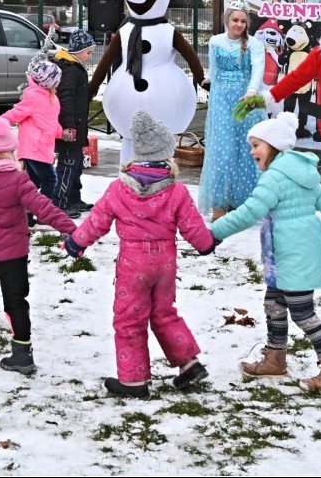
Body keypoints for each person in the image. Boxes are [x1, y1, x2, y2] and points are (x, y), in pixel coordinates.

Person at [64, 110, 216, 399]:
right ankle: (189, 363)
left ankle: (133, 381)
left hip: (133, 265)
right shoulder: (177, 191)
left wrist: (76, 243)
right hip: (165, 263)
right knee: (164, 312)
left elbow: (97, 221)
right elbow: (192, 225)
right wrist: (205, 244)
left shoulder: (119, 189)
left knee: (129, 319)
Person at [210, 112, 321, 393]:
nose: (252, 151)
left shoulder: (275, 178)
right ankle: (275, 359)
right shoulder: (301, 172)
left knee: (303, 314)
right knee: (274, 305)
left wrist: (214, 232)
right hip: (287, 256)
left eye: (256, 145)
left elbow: (249, 212)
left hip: (292, 256)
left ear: (273, 145)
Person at [0, 118, 78, 374]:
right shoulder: (18, 180)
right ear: (4, 150)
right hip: (14, 256)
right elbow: (43, 207)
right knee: (16, 301)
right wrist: (72, 229)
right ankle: (22, 353)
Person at [198, 1, 267, 221]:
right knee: (222, 151)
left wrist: (252, 90)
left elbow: (258, 69)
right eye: (235, 20)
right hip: (220, 102)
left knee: (245, 152)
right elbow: (214, 69)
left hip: (244, 103)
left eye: (243, 21)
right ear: (227, 19)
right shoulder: (215, 41)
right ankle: (220, 204)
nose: (239, 24)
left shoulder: (254, 44)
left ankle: (243, 203)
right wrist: (210, 81)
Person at [0, 61, 64, 207]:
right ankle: (43, 212)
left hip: (42, 146)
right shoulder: (34, 96)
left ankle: (25, 213)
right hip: (34, 147)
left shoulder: (52, 98)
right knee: (50, 179)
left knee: (33, 183)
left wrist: (61, 132)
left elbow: (51, 121)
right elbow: (16, 113)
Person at [53, 29, 95, 218]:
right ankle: (60, 202)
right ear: (78, 50)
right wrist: (68, 125)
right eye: (89, 52)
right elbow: (65, 98)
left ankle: (73, 198)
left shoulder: (76, 68)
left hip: (77, 127)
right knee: (68, 166)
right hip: (70, 129)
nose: (90, 56)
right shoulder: (70, 70)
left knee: (76, 165)